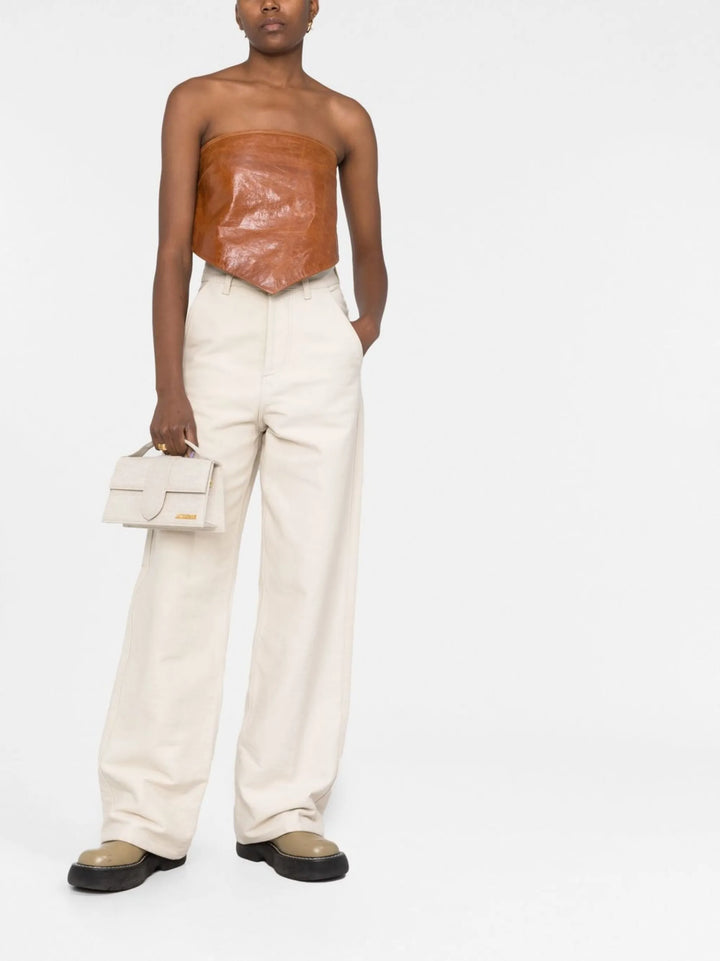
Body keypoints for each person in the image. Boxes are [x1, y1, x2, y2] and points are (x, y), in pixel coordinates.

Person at [67, 0, 386, 892]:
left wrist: (357, 333)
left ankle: (284, 809)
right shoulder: (197, 99)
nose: (270, 5)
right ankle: (142, 820)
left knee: (312, 572)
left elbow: (370, 244)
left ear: (316, 6)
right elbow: (172, 248)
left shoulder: (344, 117)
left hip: (318, 330)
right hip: (219, 330)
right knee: (182, 572)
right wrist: (169, 384)